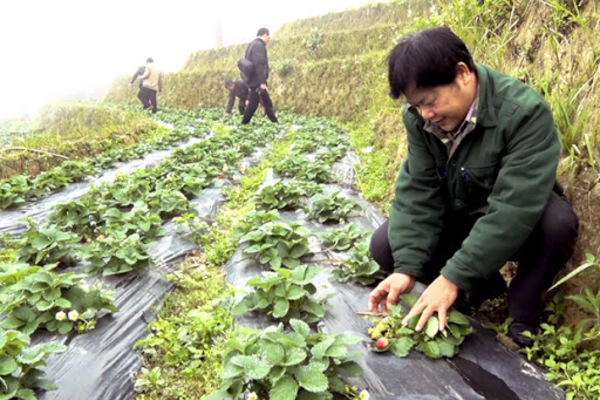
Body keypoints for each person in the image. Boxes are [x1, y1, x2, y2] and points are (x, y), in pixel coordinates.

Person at [367, 27, 579, 347]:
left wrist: (452, 277)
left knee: (557, 223)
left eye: (430, 102)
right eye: (416, 106)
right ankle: (480, 286)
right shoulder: (420, 120)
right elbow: (418, 192)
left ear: (463, 74)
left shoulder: (524, 113)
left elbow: (513, 208)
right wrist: (406, 268)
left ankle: (523, 310)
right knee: (385, 245)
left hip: (514, 224)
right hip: (461, 213)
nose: (426, 114)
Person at [241, 28, 278, 124]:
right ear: (264, 35)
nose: (268, 39)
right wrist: (262, 82)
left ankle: (275, 123)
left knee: (267, 103)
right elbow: (260, 64)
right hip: (257, 81)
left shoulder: (251, 45)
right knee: (254, 105)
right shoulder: (259, 46)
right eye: (268, 37)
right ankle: (244, 123)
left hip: (252, 80)